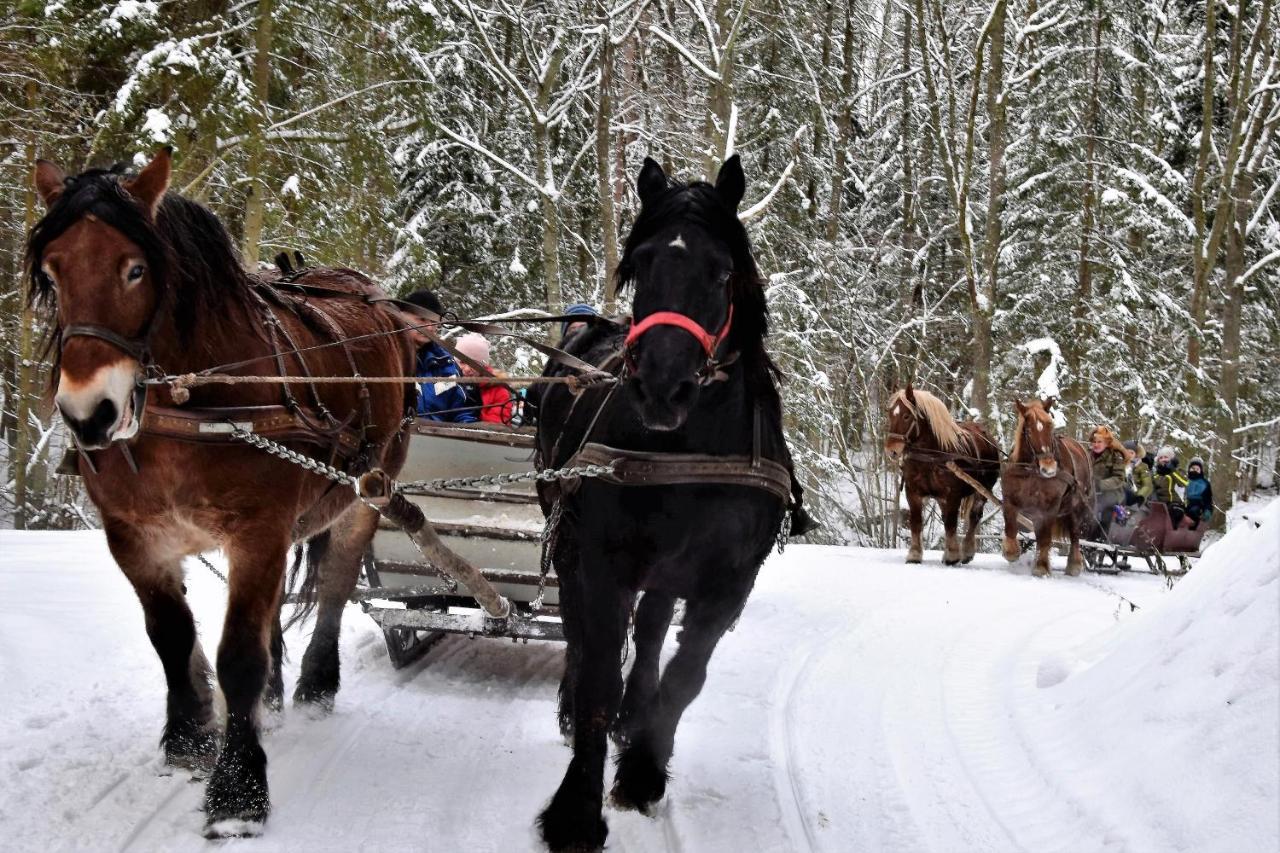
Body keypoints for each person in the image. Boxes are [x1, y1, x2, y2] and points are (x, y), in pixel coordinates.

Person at [400, 289, 476, 423]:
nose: (429, 328)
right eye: (421, 319)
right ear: (402, 317)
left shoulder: (446, 363)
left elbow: (461, 410)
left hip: (438, 440)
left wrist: (470, 431)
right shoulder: (388, 358)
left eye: (434, 321)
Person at [455, 332, 516, 424]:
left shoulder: (497, 389)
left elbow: (497, 425)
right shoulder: (446, 380)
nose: (467, 369)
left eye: (474, 363)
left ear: (483, 365)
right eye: (462, 362)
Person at [1089, 425, 1128, 534]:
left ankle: (1100, 540)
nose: (1096, 445)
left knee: (1104, 512)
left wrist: (1100, 484)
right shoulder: (1087, 455)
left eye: (1099, 442)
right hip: (1091, 493)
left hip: (1111, 494)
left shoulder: (1115, 456)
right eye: (1094, 442)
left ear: (1107, 443)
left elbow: (1119, 478)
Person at [1151, 445, 1188, 526]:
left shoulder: (1177, 471)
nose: (1163, 459)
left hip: (1173, 503)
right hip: (1159, 503)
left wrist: (1172, 470)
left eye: (1166, 457)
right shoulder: (1156, 475)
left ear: (1171, 458)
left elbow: (1185, 483)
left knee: (1174, 512)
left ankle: (1174, 534)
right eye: (1161, 458)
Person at [1184, 457, 1214, 529]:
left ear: (1200, 470)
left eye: (1197, 469)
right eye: (1193, 468)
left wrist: (1208, 510)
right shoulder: (1184, 480)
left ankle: (1191, 531)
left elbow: (1208, 500)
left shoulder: (1204, 483)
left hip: (1198, 506)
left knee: (1194, 511)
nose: (1195, 470)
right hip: (1185, 504)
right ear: (1189, 469)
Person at [1123, 440, 1154, 507]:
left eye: (1131, 453)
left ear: (1136, 454)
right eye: (1126, 452)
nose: (1128, 455)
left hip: (1134, 494)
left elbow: (1148, 485)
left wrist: (1140, 496)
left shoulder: (1142, 466)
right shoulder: (1118, 464)